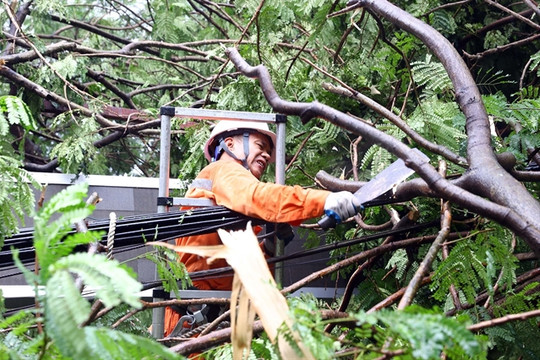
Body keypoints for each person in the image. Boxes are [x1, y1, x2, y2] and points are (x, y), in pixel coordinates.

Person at [163, 120, 361, 337]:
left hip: (217, 318)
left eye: (268, 151)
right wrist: (323, 201)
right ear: (230, 144)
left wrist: (269, 245)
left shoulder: (231, 204)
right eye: (260, 146)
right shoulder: (225, 170)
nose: (267, 155)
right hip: (198, 319)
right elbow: (260, 197)